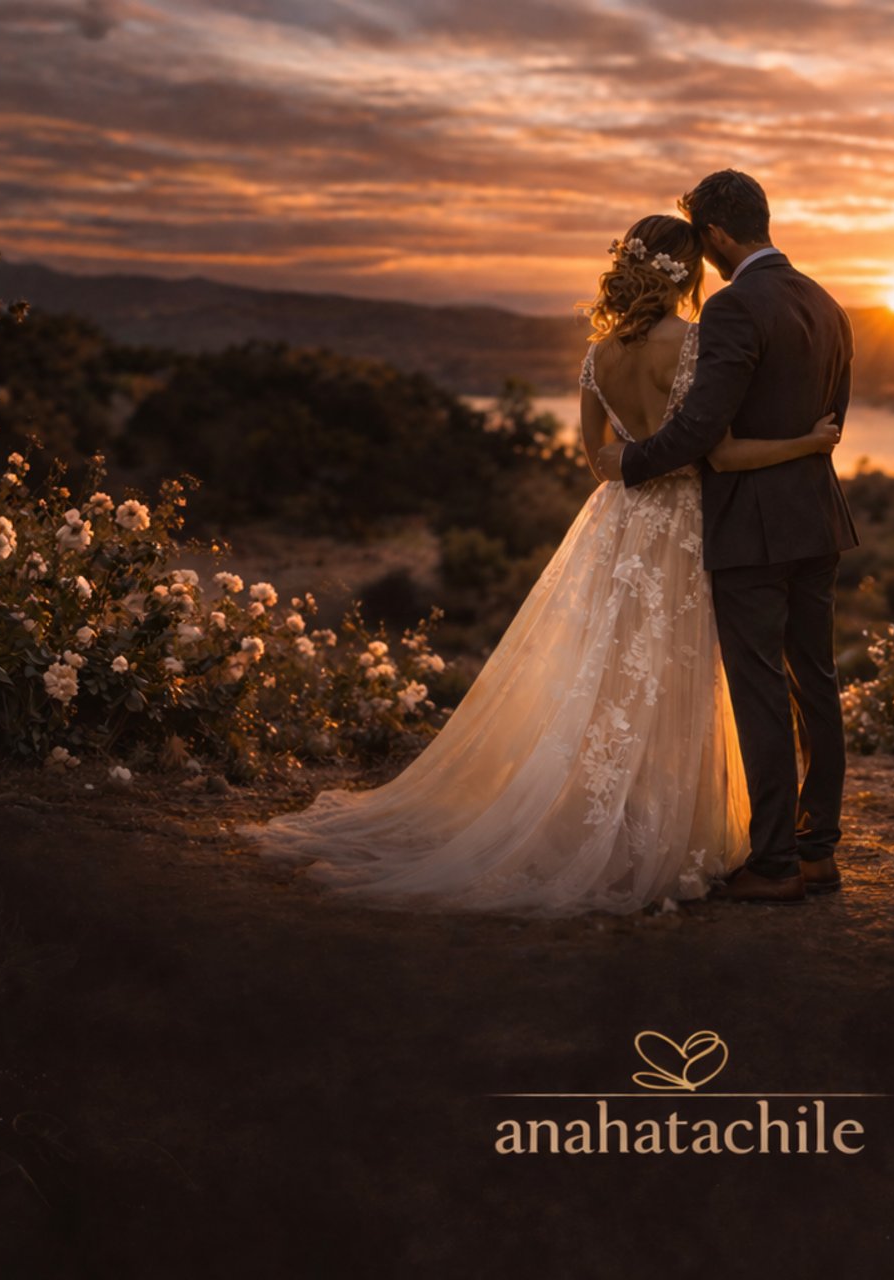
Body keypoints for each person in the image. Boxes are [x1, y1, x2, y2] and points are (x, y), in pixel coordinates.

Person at [237, 209, 842, 915]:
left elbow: (598, 463)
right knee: (684, 677)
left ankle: (616, 819)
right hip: (687, 528)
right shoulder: (697, 345)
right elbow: (718, 452)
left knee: (614, 677)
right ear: (688, 271)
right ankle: (695, 831)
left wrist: (630, 464)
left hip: (619, 529)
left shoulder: (598, 356)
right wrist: (808, 442)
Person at [595, 170, 859, 905]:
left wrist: (632, 466)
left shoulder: (737, 308)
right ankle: (818, 853)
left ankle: (773, 863)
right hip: (819, 518)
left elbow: (702, 429)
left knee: (760, 690)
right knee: (818, 684)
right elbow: (830, 425)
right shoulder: (828, 303)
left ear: (714, 236)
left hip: (751, 526)